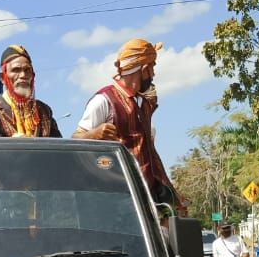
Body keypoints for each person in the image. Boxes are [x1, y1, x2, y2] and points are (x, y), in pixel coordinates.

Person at [74, 38, 181, 210]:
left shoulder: (143, 103)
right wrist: (92, 135)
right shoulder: (104, 100)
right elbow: (76, 140)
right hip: (115, 200)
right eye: (152, 67)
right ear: (144, 69)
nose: (153, 73)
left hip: (146, 198)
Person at [0, 45, 63, 138]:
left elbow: (59, 149)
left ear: (33, 76)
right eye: (16, 70)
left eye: (27, 70)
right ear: (2, 77)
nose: (23, 75)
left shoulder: (44, 111)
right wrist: (14, 145)